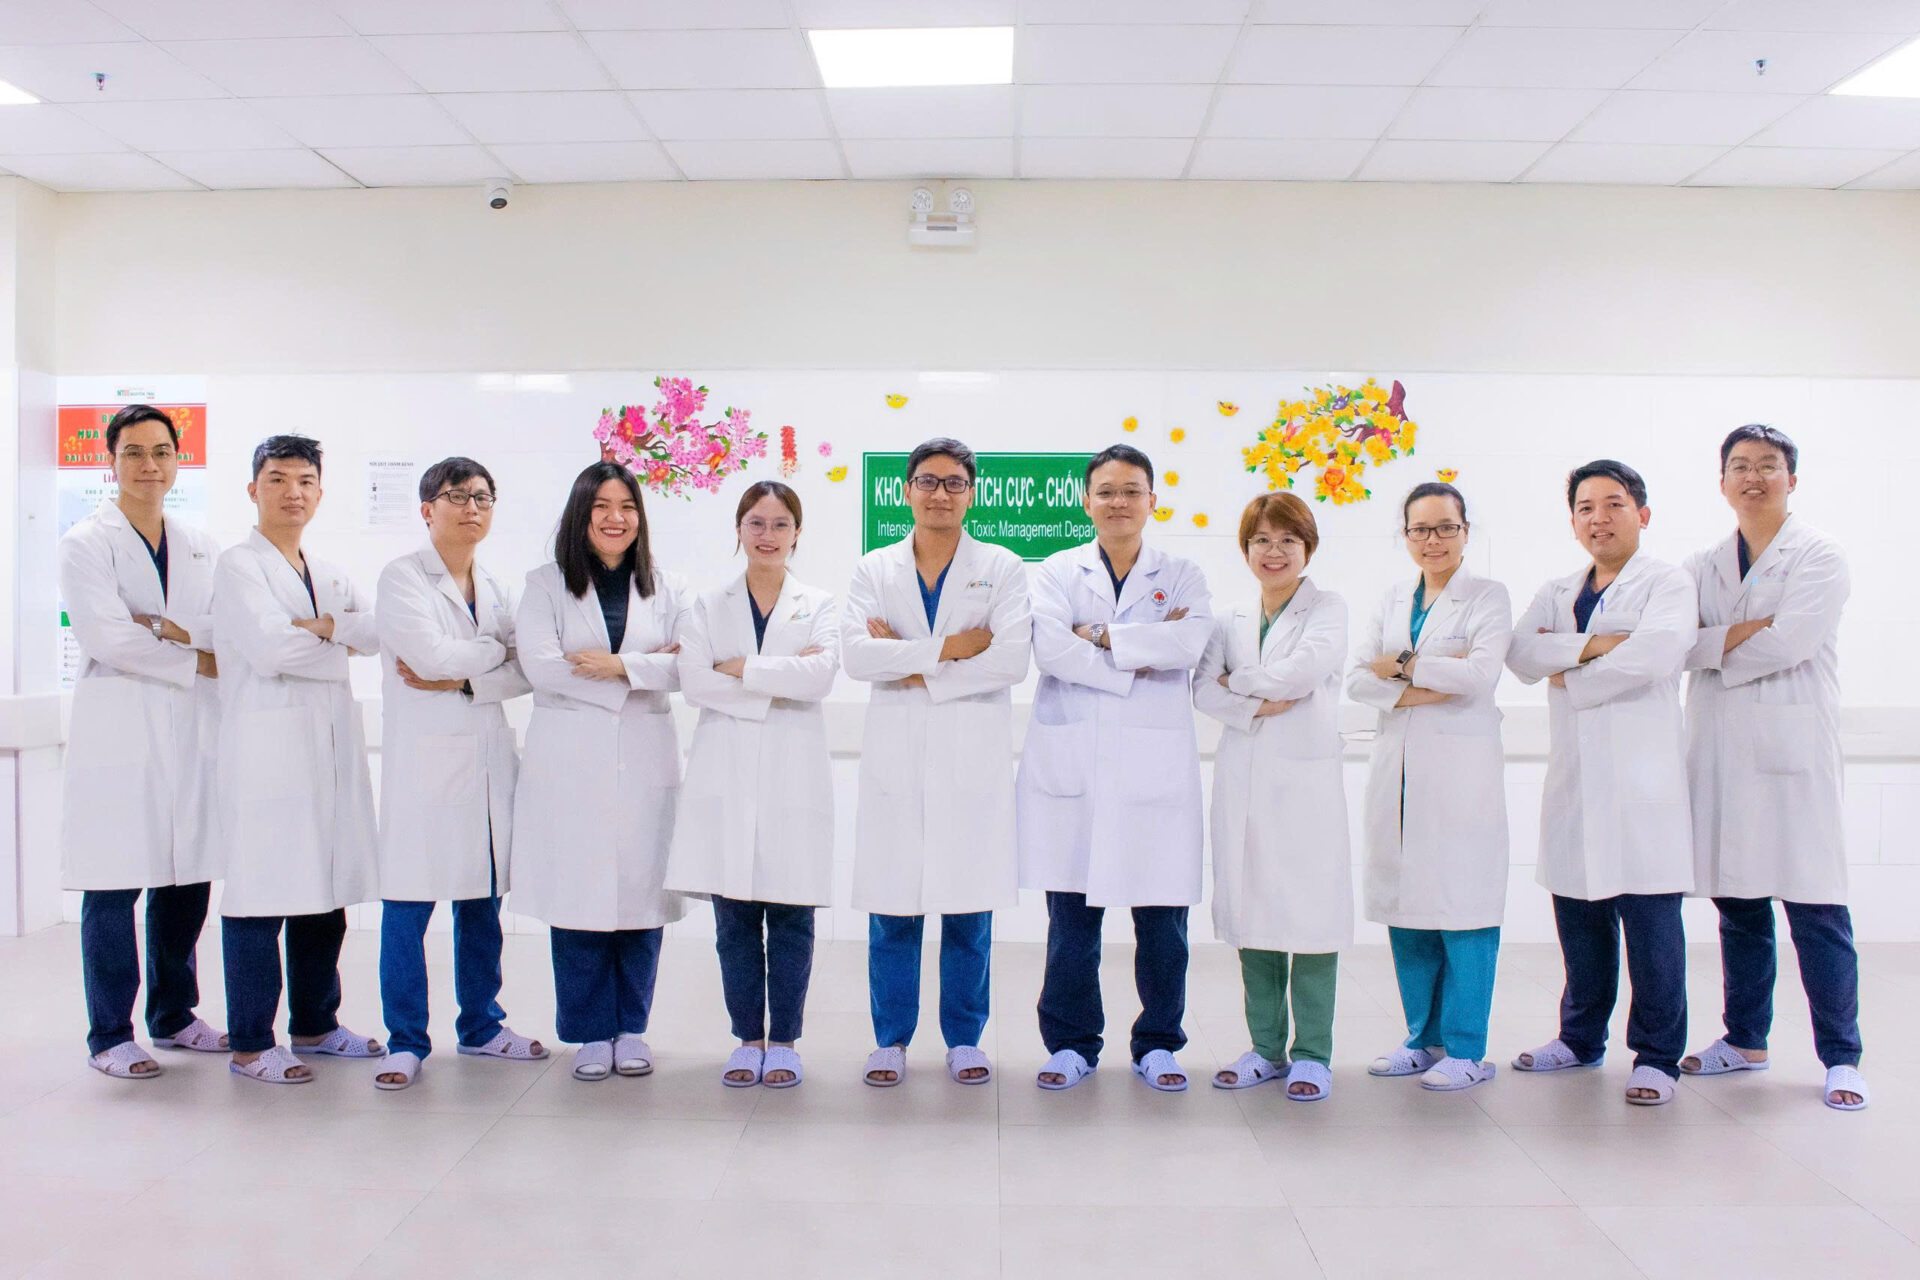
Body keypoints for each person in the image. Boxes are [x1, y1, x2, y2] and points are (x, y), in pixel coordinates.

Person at [1678, 425, 1865, 1110]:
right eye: (1740, 466)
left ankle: (1842, 1057)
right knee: (1739, 904)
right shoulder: (1701, 564)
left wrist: (1713, 644)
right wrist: (1735, 636)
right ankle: (1745, 1039)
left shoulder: (1820, 555)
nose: (1752, 477)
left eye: (1767, 465)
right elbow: (1674, 644)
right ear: (1722, 481)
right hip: (1722, 752)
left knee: (1817, 907)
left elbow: (1791, 643)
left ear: (1792, 478)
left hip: (1793, 753)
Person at [1019, 443, 1213, 1093]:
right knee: (1071, 921)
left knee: (1163, 924)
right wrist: (1140, 656)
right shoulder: (1056, 570)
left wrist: (1100, 635)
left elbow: (1189, 642)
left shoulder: (1181, 573)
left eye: (1131, 491)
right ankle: (1071, 1044)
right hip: (1075, 767)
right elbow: (1050, 650)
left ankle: (1158, 1043)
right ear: (1086, 502)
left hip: (1155, 773)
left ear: (1152, 501)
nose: (1118, 502)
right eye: (1106, 491)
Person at [840, 438, 1031, 1088]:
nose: (940, 494)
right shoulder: (874, 569)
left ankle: (964, 1039)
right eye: (927, 481)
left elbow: (1010, 661)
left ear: (971, 493)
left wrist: (910, 661)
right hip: (896, 760)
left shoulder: (1001, 566)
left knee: (968, 910)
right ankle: (890, 1040)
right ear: (906, 490)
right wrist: (953, 647)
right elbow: (857, 658)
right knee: (892, 909)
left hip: (969, 760)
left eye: (954, 483)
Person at [1507, 459, 1695, 1106]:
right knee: (1579, 917)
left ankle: (1657, 1057)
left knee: (1651, 929)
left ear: (1642, 514)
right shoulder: (1559, 588)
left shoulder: (1668, 583)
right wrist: (1596, 645)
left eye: (1613, 504)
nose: (1599, 518)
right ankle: (1580, 1038)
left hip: (1644, 783)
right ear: (1573, 522)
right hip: (1577, 780)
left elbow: (1656, 654)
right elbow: (1521, 653)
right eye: (1586, 507)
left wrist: (1568, 666)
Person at [58, 404, 227, 1078]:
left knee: (186, 875)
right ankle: (109, 1034)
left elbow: (221, 626)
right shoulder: (85, 542)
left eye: (161, 452)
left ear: (178, 460)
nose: (148, 465)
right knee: (114, 881)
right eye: (133, 452)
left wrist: (162, 626)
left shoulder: (200, 544)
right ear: (111, 461)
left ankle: (174, 1015)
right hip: (120, 729)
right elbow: (107, 637)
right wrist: (193, 655)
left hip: (191, 730)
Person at [213, 434, 385, 1084]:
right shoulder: (238, 566)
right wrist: (339, 639)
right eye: (278, 479)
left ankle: (316, 1024)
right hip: (266, 755)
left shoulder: (328, 571)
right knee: (260, 895)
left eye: (305, 481)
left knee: (323, 893)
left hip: (325, 753)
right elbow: (270, 650)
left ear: (320, 491)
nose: (293, 492)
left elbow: (378, 630)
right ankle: (251, 1043)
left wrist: (327, 628)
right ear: (253, 489)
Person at [371, 456, 545, 1091]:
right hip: (424, 770)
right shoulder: (402, 578)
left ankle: (481, 1026)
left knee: (481, 906)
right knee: (407, 908)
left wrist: (467, 677)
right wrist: (493, 652)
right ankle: (405, 1041)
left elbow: (528, 668)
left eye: (482, 497)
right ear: (427, 509)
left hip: (487, 767)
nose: (472, 508)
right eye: (457, 496)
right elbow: (427, 656)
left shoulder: (496, 586)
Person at [510, 461, 686, 1083]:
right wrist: (641, 668)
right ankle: (589, 1032)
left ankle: (631, 1028)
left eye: (627, 507)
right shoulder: (544, 584)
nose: (616, 518)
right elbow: (540, 665)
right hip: (571, 760)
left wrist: (612, 665)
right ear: (580, 515)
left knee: (641, 894)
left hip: (644, 755)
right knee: (578, 895)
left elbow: (689, 666)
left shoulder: (667, 586)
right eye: (602, 507)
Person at [667, 480, 840, 1089]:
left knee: (792, 916)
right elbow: (695, 683)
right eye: (756, 523)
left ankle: (785, 1040)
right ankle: (748, 1039)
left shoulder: (819, 603)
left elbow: (821, 678)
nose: (768, 535)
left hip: (796, 777)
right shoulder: (706, 606)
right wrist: (778, 683)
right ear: (739, 529)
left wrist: (743, 669)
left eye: (780, 524)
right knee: (734, 919)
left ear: (798, 533)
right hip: (726, 775)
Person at [1348, 481, 1513, 1092]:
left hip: (1460, 777)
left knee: (1464, 909)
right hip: (1398, 772)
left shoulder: (1488, 597)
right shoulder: (1393, 598)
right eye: (1420, 529)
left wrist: (1403, 666)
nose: (1432, 540)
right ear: (1406, 535)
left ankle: (1467, 1049)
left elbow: (1480, 675)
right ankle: (1423, 1039)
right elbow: (1356, 679)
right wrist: (1424, 686)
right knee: (1408, 908)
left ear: (1466, 532)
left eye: (1446, 527)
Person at [1195, 492, 1350, 1100]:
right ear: (1246, 549)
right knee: (1253, 915)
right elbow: (1201, 690)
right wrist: (1256, 703)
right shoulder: (1228, 618)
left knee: (1311, 918)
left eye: (1288, 539)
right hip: (1244, 782)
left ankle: (1313, 1054)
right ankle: (1264, 1049)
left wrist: (1238, 683)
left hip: (1305, 787)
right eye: (1261, 539)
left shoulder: (1327, 608)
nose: (1274, 551)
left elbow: (1303, 672)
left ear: (1307, 547)